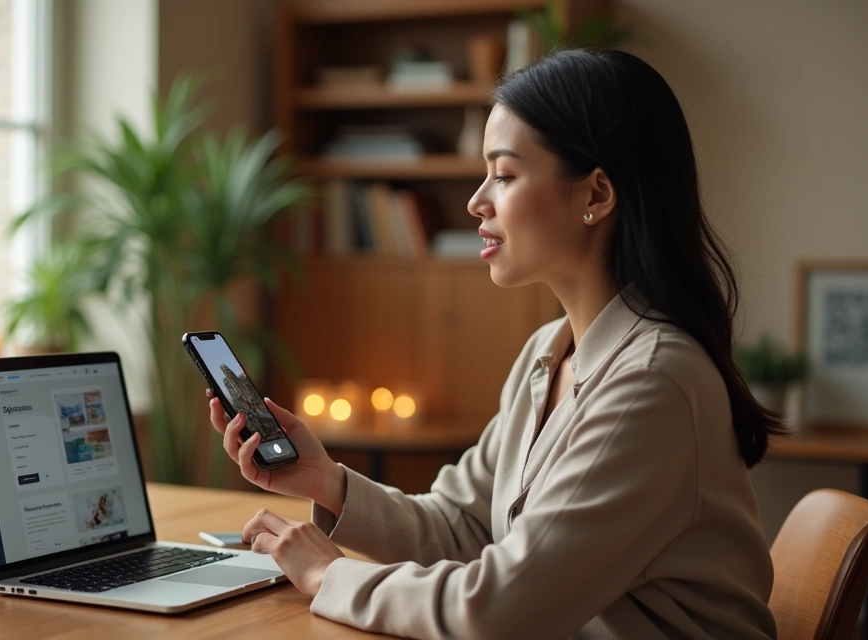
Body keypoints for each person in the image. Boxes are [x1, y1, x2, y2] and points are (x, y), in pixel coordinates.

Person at [205, 49, 779, 639]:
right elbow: (465, 527)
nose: (477, 200)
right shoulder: (547, 353)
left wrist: (330, 577)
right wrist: (329, 482)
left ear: (595, 195)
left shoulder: (652, 380)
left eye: (503, 174)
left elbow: (500, 607)